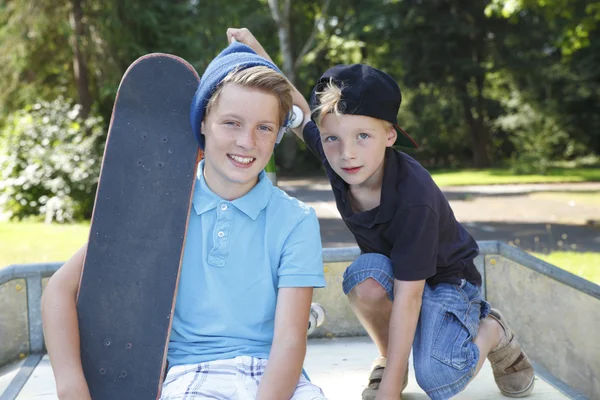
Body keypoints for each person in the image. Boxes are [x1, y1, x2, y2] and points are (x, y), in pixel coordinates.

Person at [227, 28, 535, 400]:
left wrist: (390, 393)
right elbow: (299, 109)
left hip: (447, 281)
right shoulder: (335, 155)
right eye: (332, 139)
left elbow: (410, 299)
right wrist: (255, 49)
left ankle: (493, 329)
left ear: (390, 136)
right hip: (391, 273)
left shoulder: (413, 199)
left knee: (439, 380)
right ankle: (391, 358)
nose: (347, 154)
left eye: (363, 137)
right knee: (363, 277)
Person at [41, 41, 328, 400]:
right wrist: (72, 387)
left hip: (277, 377)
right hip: (193, 376)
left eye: (264, 128)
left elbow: (289, 342)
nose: (246, 141)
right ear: (203, 121)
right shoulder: (159, 206)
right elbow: (58, 291)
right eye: (231, 123)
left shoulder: (296, 220)